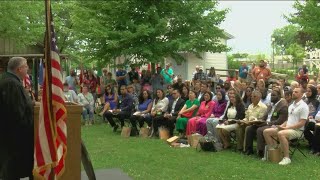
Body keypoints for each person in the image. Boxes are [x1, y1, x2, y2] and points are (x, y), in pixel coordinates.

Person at [0, 57, 34, 179]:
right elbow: (16, 112)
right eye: (26, 66)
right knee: (10, 172)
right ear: (19, 69)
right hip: (13, 139)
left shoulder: (10, 81)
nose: (27, 68)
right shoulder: (11, 84)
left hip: (11, 139)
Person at [263, 87, 309, 165]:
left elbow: (301, 123)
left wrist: (286, 128)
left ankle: (287, 158)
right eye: (293, 91)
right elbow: (288, 120)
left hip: (298, 131)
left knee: (281, 133)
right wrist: (280, 126)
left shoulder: (303, 106)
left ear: (301, 94)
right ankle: (274, 151)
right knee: (266, 132)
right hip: (287, 128)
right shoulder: (291, 105)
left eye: (296, 92)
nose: (293, 93)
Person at [245, 88, 288, 157]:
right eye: (271, 95)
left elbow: (280, 121)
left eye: (274, 95)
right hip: (265, 123)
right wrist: (257, 120)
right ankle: (249, 150)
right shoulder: (271, 105)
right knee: (249, 128)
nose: (271, 97)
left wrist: (267, 123)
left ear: (279, 96)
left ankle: (261, 151)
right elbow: (265, 116)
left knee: (260, 130)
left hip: (274, 125)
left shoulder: (283, 106)